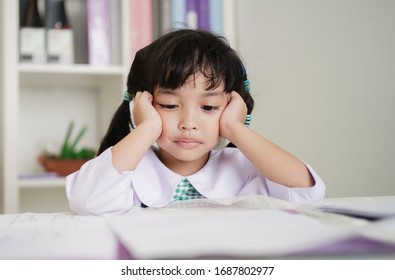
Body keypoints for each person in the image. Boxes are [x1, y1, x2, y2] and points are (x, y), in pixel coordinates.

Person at [66, 29, 325, 215]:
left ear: (232, 107)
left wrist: (236, 128)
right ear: (142, 104)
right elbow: (87, 201)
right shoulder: (128, 168)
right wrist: (147, 128)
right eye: (169, 105)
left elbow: (306, 193)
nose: (189, 123)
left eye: (209, 107)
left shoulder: (243, 168)